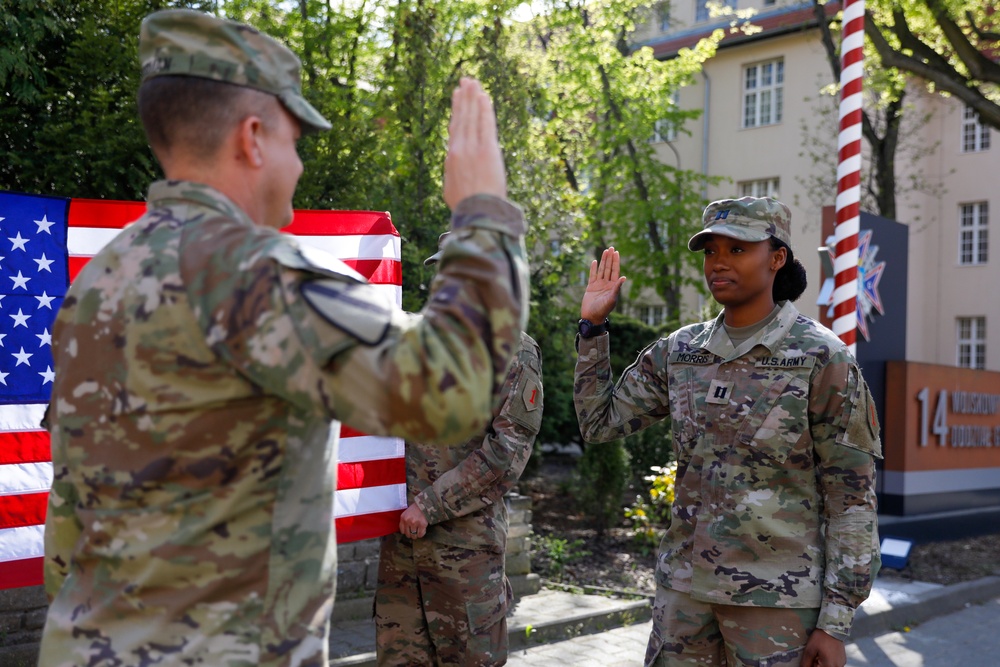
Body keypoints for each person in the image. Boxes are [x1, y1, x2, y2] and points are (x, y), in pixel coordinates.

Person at [41, 9, 529, 667]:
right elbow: (457, 393)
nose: (298, 165)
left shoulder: (98, 281)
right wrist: (482, 215)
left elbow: (67, 527)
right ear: (252, 137)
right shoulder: (258, 276)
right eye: (295, 140)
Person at [574, 197, 881, 667]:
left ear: (776, 258)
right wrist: (593, 329)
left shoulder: (821, 358)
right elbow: (600, 423)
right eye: (710, 251)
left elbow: (852, 497)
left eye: (738, 250)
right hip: (685, 598)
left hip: (776, 606)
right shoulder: (681, 351)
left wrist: (835, 622)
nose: (718, 262)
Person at [373, 232, 543, 666]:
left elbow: (506, 452)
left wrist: (429, 506)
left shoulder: (514, 351)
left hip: (464, 556)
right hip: (401, 552)